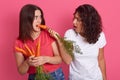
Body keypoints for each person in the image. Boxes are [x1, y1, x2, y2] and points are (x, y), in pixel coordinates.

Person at [50, 4, 107, 80]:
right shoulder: (70, 34)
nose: (74, 22)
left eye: (78, 20)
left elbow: (101, 59)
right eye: (74, 18)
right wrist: (60, 41)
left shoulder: (100, 35)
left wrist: (105, 78)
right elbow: (67, 60)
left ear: (88, 22)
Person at [14, 4, 65, 80]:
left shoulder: (48, 34)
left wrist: (46, 59)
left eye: (40, 17)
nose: (39, 20)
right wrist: (27, 63)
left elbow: (59, 59)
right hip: (34, 77)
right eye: (36, 17)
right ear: (27, 20)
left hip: (54, 75)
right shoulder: (19, 42)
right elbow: (21, 71)